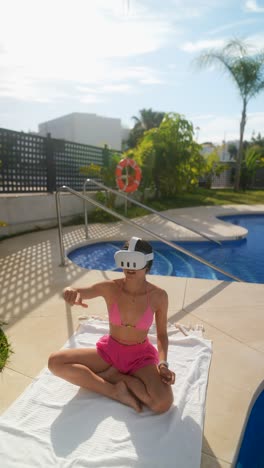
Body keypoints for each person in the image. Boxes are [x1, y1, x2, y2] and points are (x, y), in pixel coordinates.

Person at [48, 237, 175, 414]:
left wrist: (162, 364)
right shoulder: (110, 288)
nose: (129, 267)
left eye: (135, 261)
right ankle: (114, 391)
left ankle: (116, 377)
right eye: (125, 260)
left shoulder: (159, 296)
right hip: (110, 352)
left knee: (163, 403)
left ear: (147, 264)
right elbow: (78, 291)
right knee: (55, 362)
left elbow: (161, 335)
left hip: (140, 358)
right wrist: (69, 291)